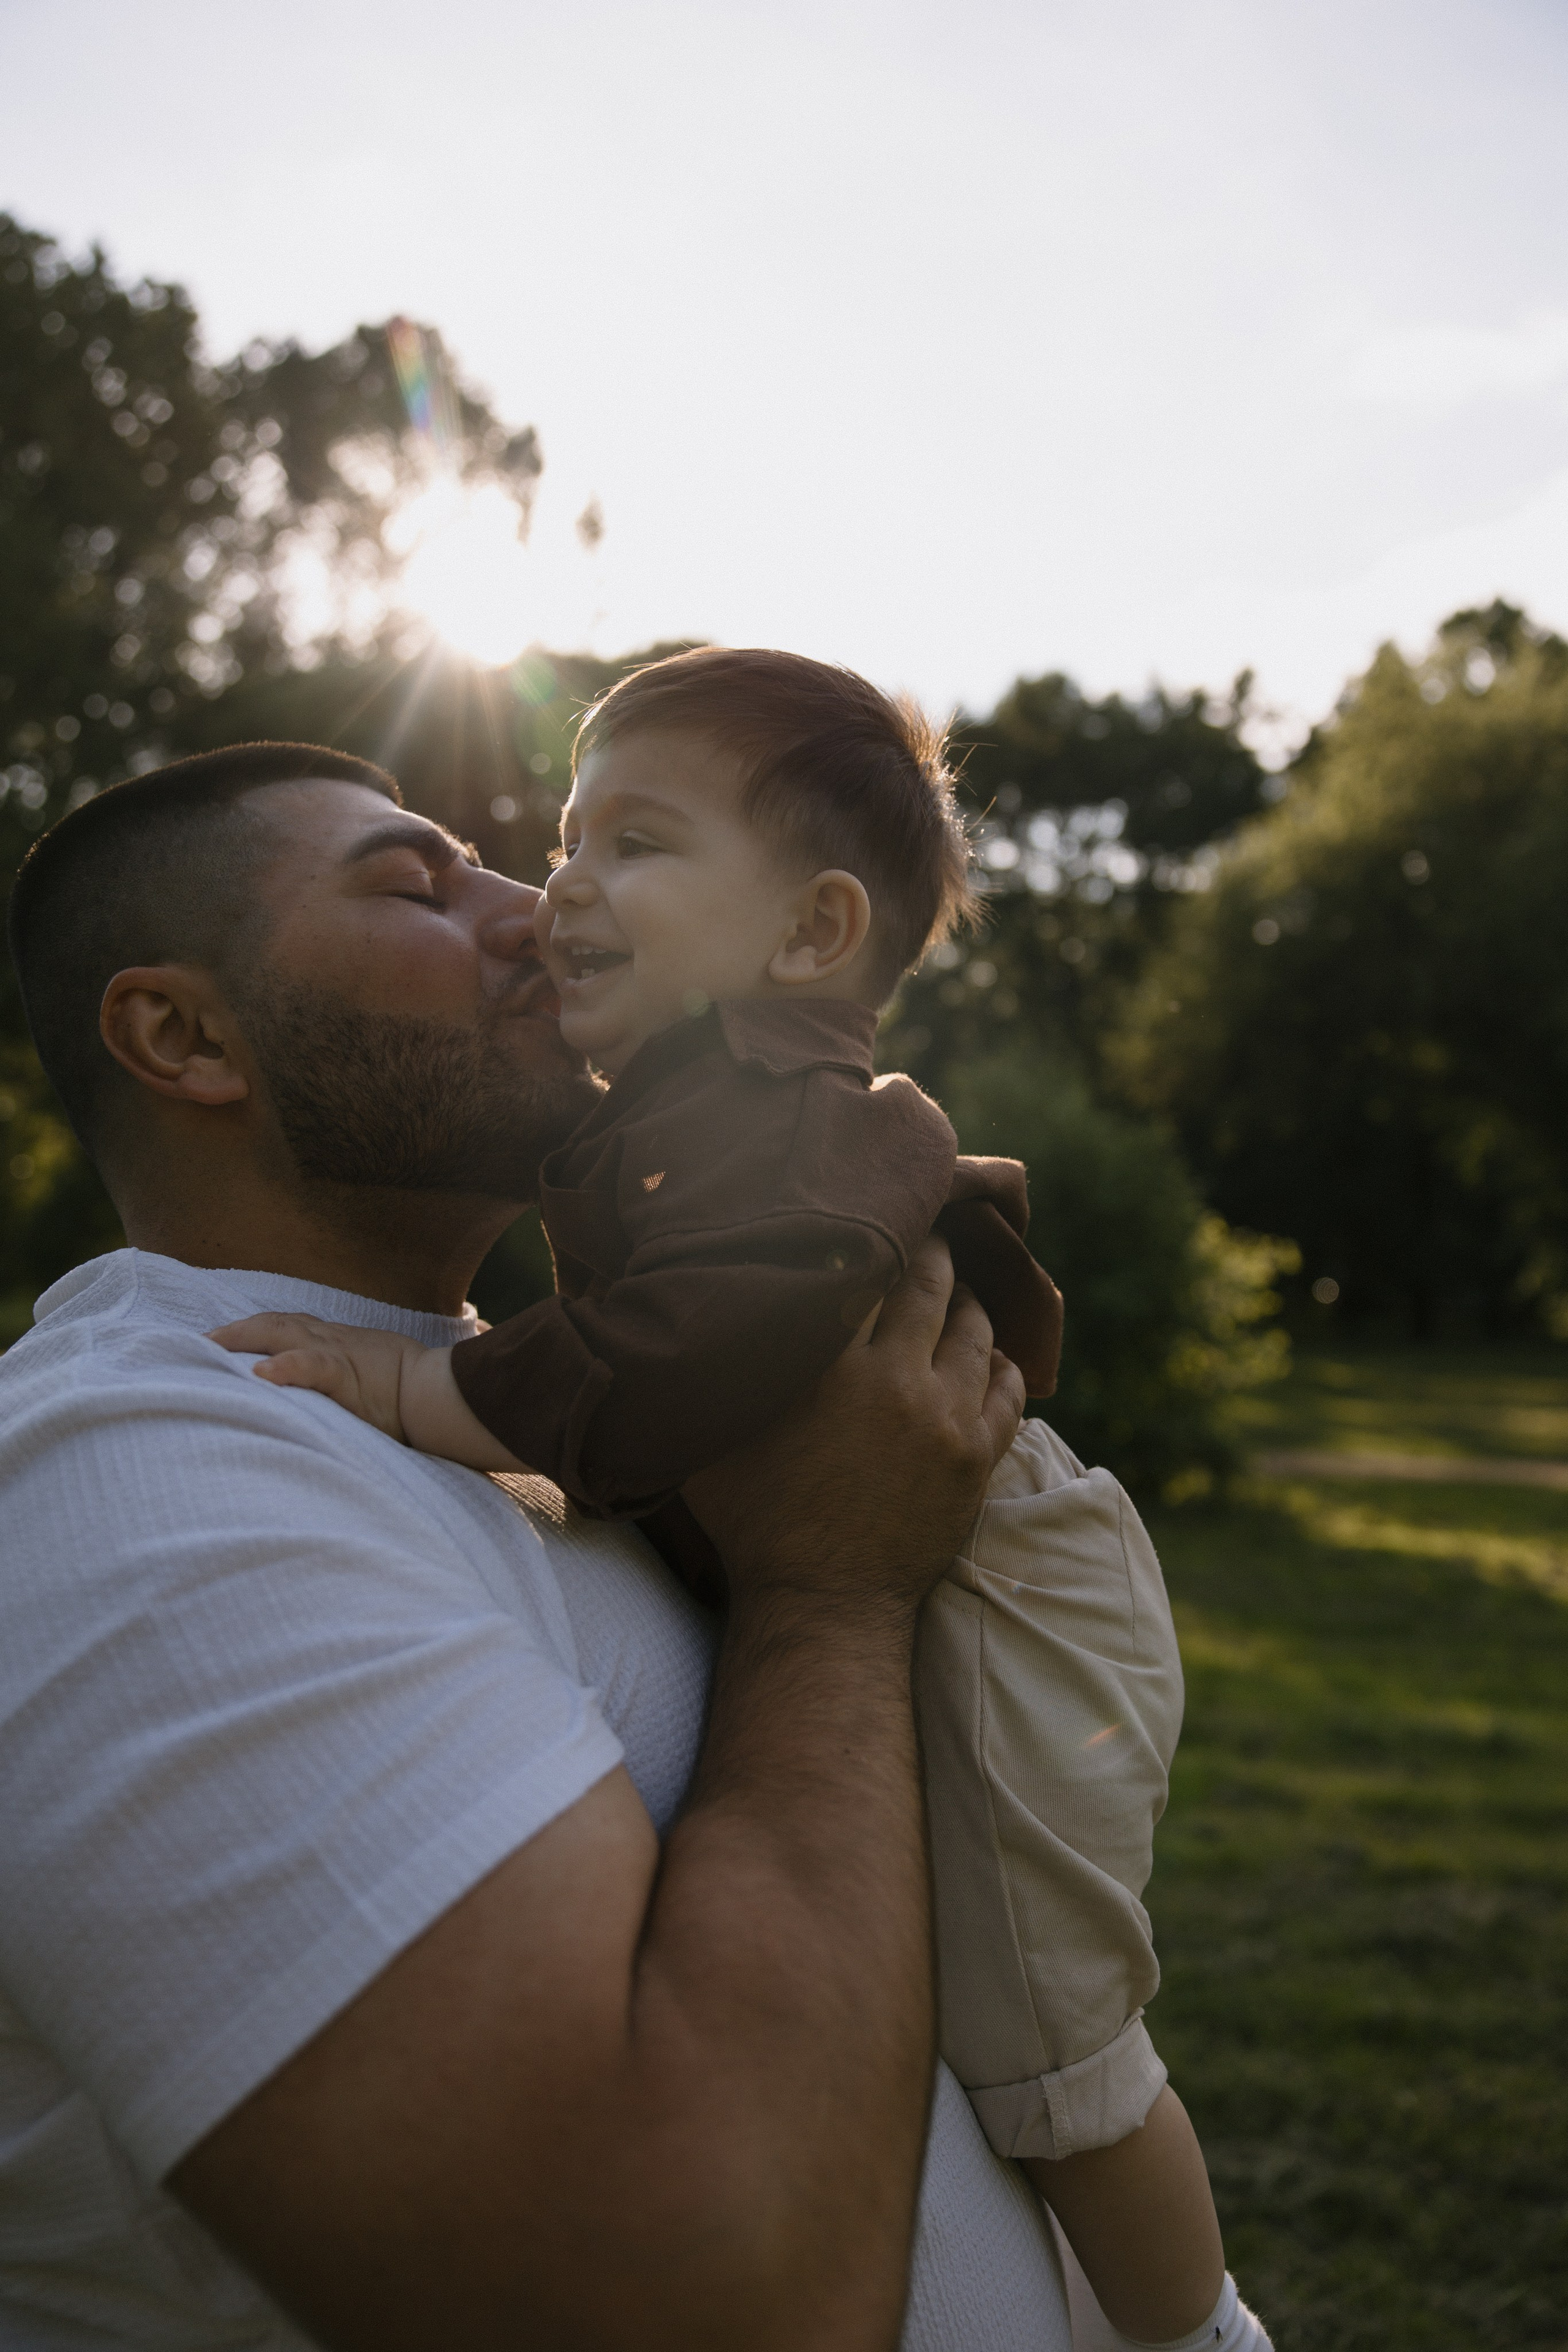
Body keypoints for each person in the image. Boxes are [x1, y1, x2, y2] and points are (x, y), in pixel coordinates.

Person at [202, 652, 1270, 2352]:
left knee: (1045, 2044)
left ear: (812, 936)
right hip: (923, 1546)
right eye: (569, 834)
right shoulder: (683, 1110)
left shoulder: (793, 1121)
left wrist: (428, 1389)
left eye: (636, 843)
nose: (563, 883)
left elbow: (711, 1331)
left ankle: (1204, 2332)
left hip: (997, 1574)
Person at [0, 739, 1068, 2352]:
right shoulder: (129, 1490)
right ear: (183, 1033)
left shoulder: (537, 1407)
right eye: (416, 887)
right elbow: (692, 2306)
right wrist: (831, 1589)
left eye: (516, 865)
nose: (542, 912)